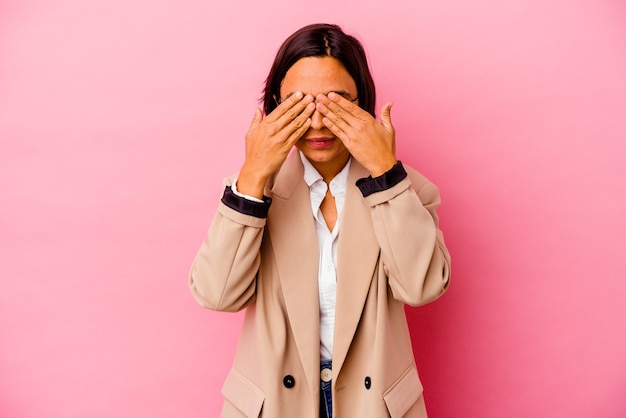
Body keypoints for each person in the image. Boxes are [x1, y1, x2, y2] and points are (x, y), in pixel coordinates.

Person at [189, 23, 451, 418]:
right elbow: (216, 294)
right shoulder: (252, 190)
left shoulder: (408, 189)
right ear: (276, 105)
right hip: (274, 405)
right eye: (298, 103)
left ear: (361, 103)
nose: (316, 123)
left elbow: (422, 287)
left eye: (335, 102)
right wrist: (253, 178)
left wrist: (385, 172)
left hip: (373, 404)